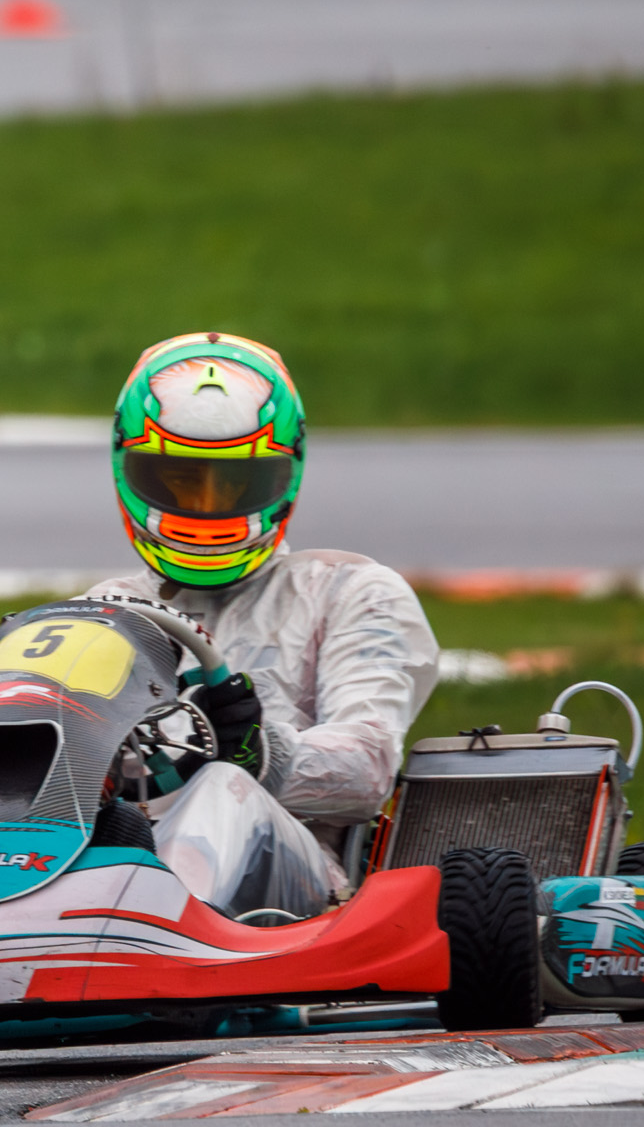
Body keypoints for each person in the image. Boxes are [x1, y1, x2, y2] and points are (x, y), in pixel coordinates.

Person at [78, 332, 438, 921]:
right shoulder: (102, 609)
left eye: (236, 484)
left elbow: (368, 768)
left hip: (294, 885)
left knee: (221, 790)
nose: (207, 504)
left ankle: (160, 921)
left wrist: (259, 754)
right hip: (114, 864)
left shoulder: (353, 592)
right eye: (179, 479)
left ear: (281, 475)